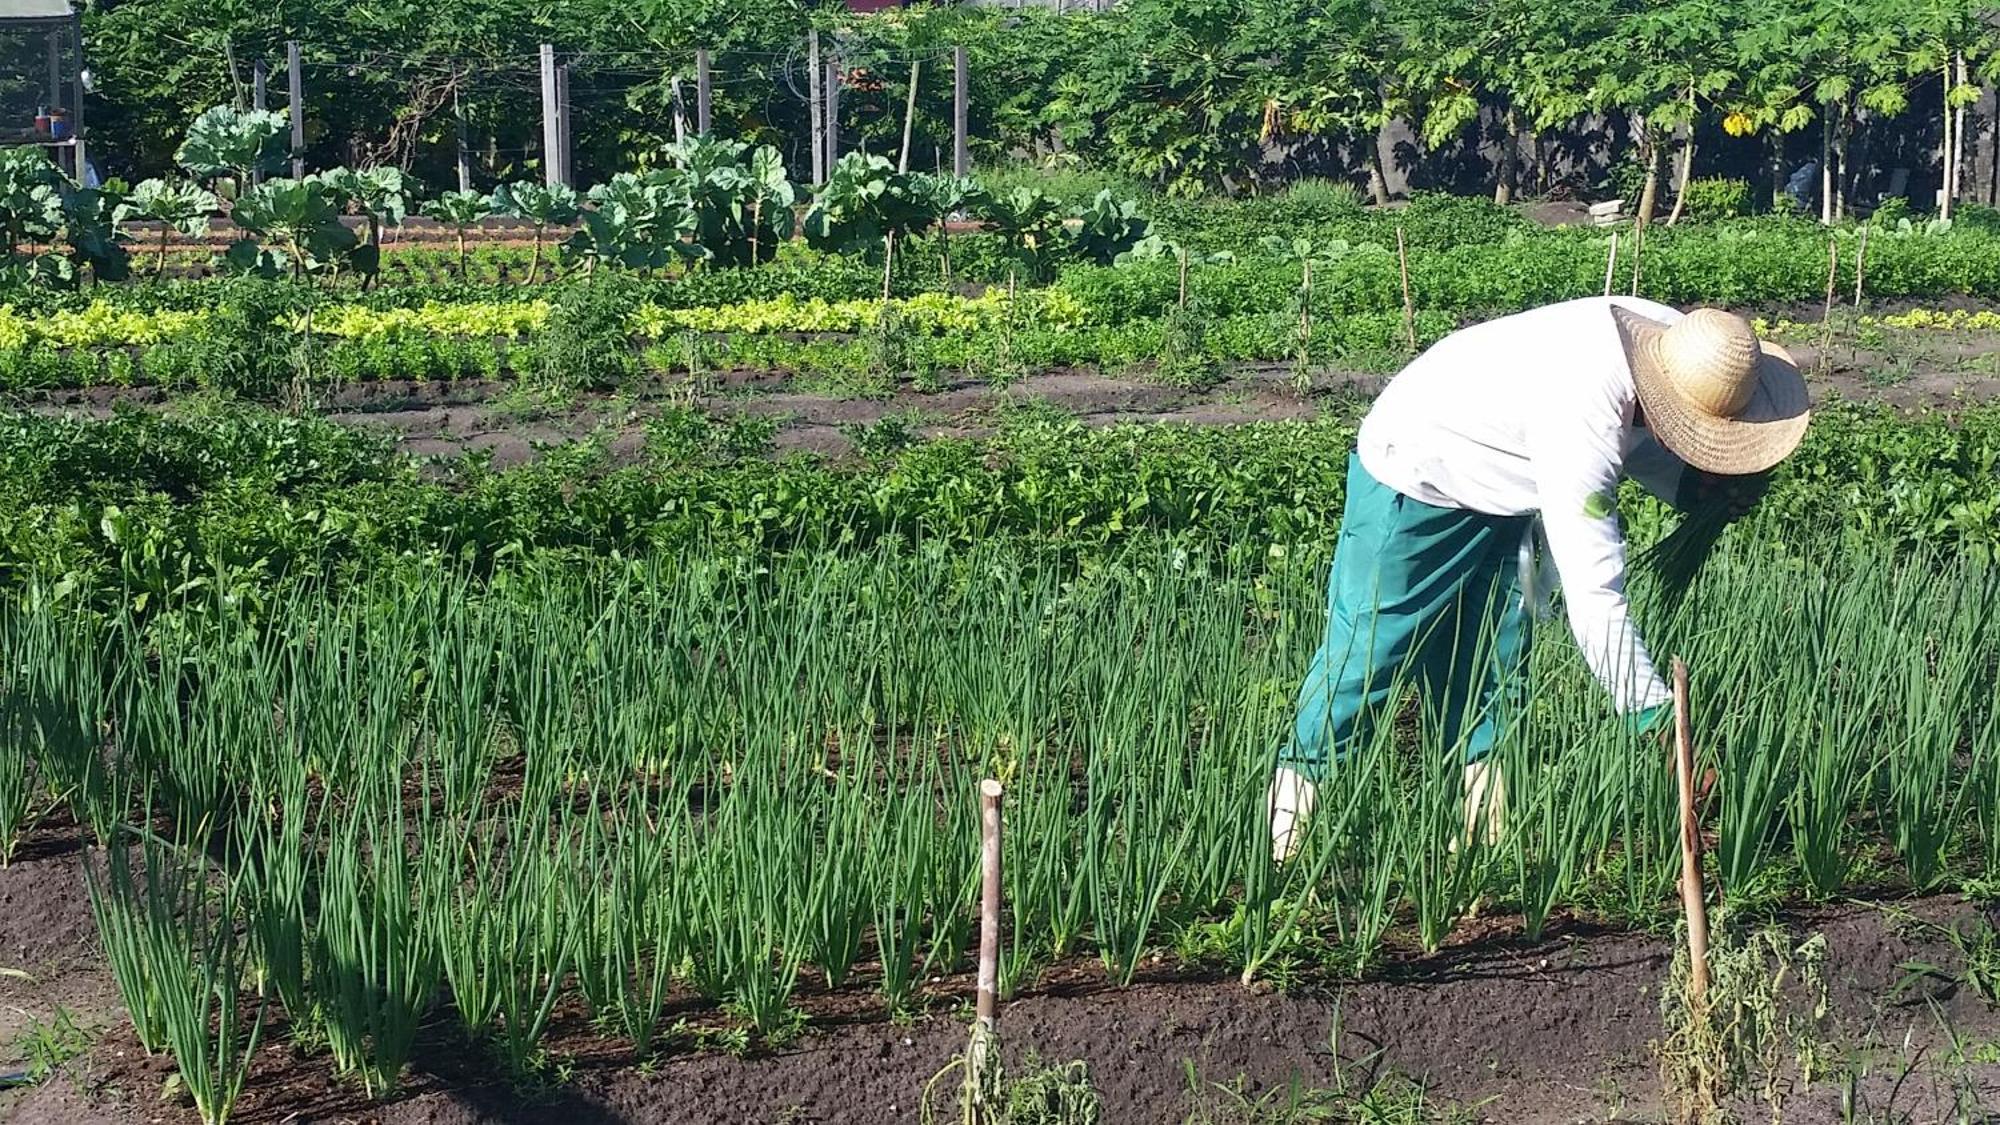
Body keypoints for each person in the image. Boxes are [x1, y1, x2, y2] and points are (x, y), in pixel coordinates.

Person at [1269, 296, 1810, 861]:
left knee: (1493, 663)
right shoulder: (1582, 410)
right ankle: (1285, 839)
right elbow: (1594, 593)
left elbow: (1645, 431)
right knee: (1367, 656)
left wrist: (1695, 488)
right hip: (1419, 470)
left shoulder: (1699, 350)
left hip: (1509, 486)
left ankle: (1485, 840)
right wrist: (1655, 719)